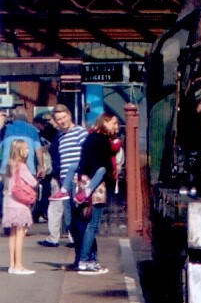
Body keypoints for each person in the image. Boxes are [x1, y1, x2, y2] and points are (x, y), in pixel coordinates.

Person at [71, 112, 119, 274]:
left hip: (84, 182)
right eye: (114, 123)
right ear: (105, 122)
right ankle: (85, 260)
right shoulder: (103, 141)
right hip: (96, 185)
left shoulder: (90, 138)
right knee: (92, 225)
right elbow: (103, 167)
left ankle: (89, 258)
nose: (116, 127)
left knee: (86, 223)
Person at [41, 104, 87, 249]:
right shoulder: (60, 136)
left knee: (80, 216)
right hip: (64, 181)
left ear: (69, 116)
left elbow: (86, 155)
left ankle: (84, 253)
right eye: (59, 119)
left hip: (77, 180)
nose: (62, 121)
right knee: (70, 218)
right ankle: (78, 253)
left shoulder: (80, 132)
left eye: (64, 117)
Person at [3, 138, 37, 275]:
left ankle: (11, 265)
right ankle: (19, 265)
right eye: (26, 148)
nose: (28, 151)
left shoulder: (10, 166)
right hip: (20, 204)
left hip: (10, 203)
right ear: (20, 151)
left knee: (12, 235)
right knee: (20, 235)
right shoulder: (22, 167)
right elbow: (33, 182)